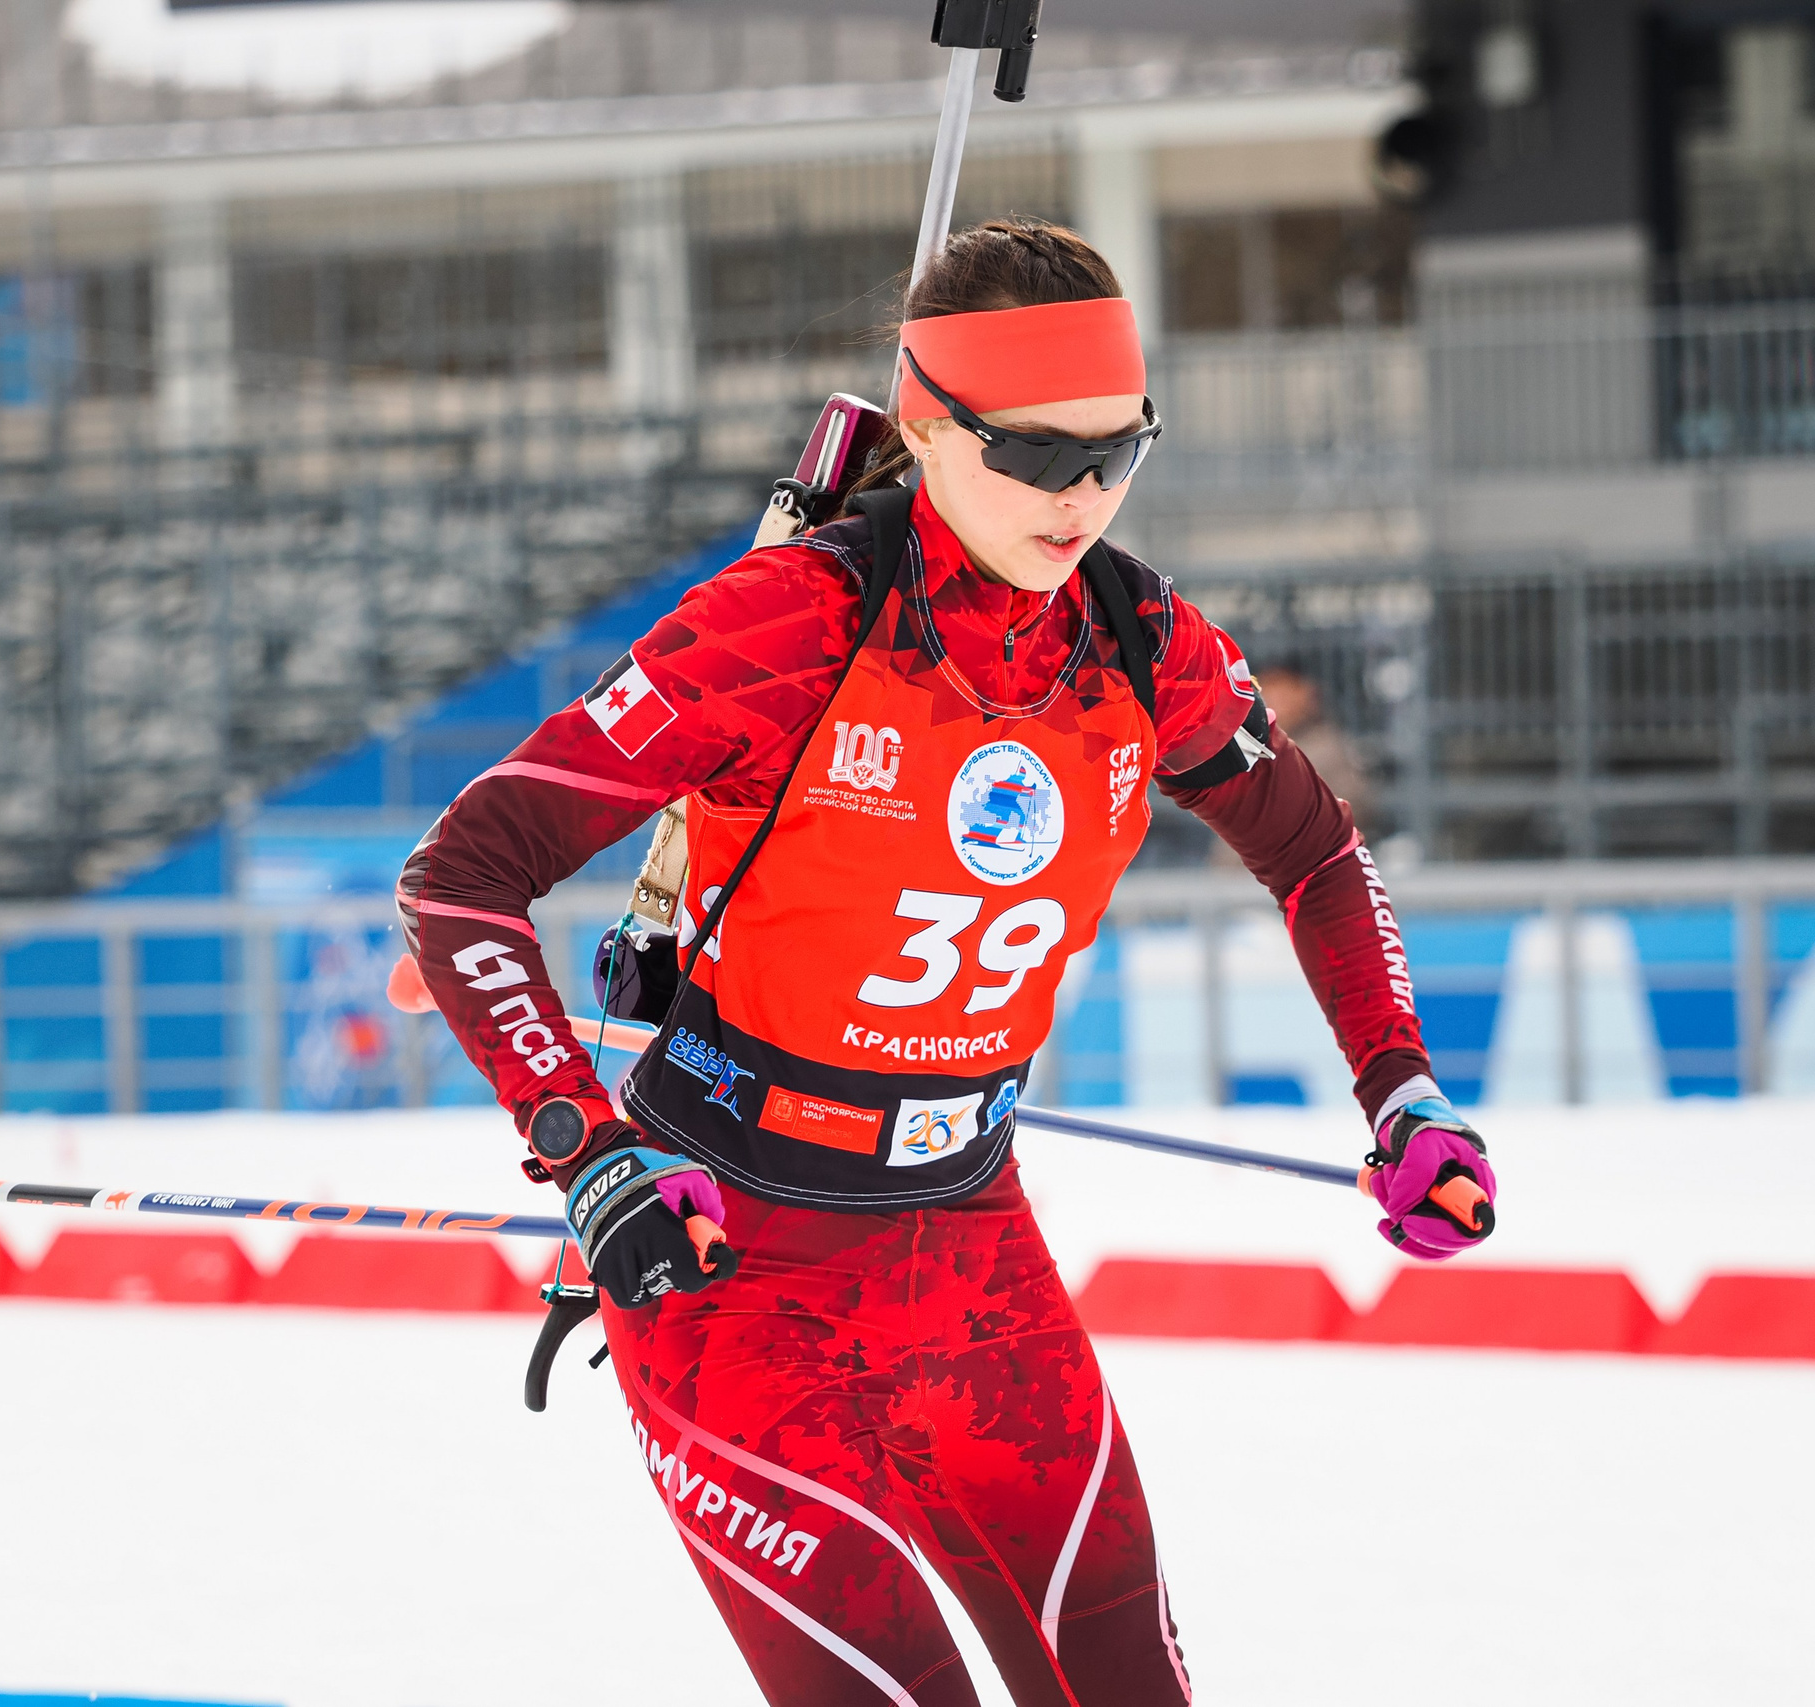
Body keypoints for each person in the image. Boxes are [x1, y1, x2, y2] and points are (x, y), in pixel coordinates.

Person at [394, 218, 1495, 1707]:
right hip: (730, 1271)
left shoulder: (1141, 643)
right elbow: (462, 878)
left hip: (970, 1258)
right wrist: (588, 1156)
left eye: (1119, 453)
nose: (1083, 497)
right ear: (927, 423)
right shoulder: (793, 622)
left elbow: (1319, 854)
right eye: (1037, 455)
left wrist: (1403, 1094)